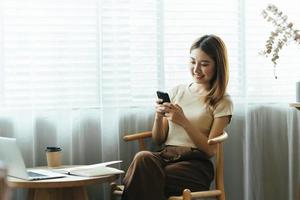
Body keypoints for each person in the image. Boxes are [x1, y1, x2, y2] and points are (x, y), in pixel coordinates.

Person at [121, 34, 233, 200]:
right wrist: (159, 117)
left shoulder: (221, 100)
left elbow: (210, 150)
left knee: (143, 175)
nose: (196, 69)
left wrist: (183, 121)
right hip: (166, 156)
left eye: (204, 64)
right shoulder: (177, 92)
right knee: (142, 158)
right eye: (193, 62)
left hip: (194, 164)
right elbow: (158, 139)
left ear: (218, 66)